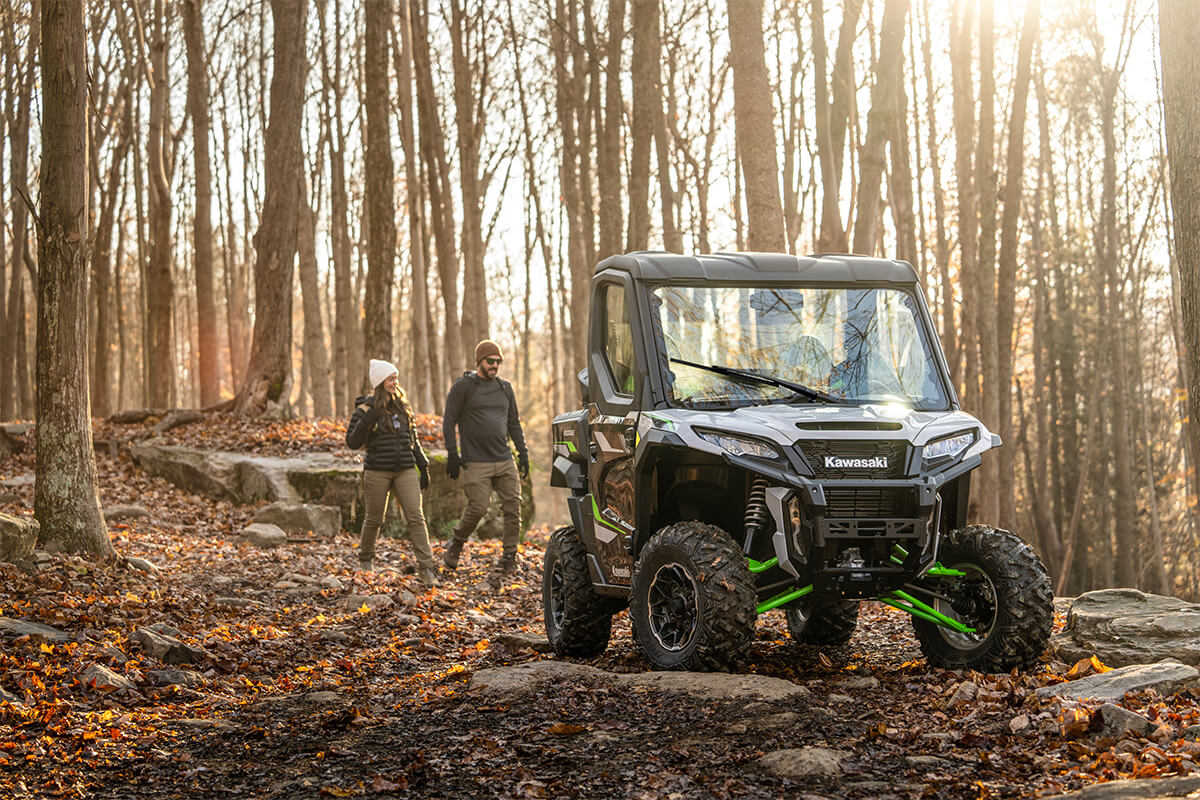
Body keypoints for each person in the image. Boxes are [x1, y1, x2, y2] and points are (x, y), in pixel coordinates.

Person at [345, 359, 439, 586]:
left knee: (416, 517)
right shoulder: (365, 409)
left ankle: (427, 569)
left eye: (396, 378)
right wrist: (368, 419)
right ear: (379, 382)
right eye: (390, 378)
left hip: (404, 469)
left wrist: (422, 464)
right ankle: (366, 561)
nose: (395, 382)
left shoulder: (403, 406)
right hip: (378, 471)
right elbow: (352, 442)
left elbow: (413, 438)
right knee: (374, 519)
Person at [441, 340, 530, 578]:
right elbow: (449, 420)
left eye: (498, 362)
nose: (495, 366)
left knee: (513, 506)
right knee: (479, 506)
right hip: (476, 461)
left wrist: (522, 453)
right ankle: (457, 542)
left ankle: (510, 556)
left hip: (503, 459)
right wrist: (452, 453)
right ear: (479, 361)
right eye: (491, 361)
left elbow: (513, 423)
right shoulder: (464, 387)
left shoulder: (505, 388)